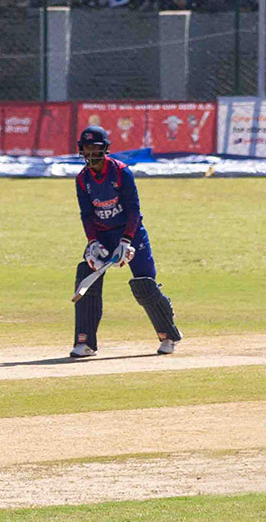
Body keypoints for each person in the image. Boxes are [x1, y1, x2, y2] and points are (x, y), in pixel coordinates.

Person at [71, 125, 182, 358]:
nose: (90, 153)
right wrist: (92, 242)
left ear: (105, 149)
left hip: (130, 233)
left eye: (95, 148)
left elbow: (134, 210)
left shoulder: (121, 172)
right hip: (102, 235)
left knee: (144, 284)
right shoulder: (82, 179)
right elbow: (86, 214)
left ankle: (168, 335)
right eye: (86, 148)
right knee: (86, 275)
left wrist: (126, 241)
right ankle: (85, 341)